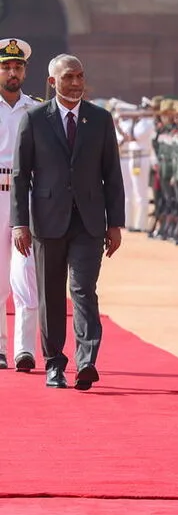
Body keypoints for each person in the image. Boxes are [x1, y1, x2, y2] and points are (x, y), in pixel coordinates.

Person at [12, 53, 124, 390]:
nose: (76, 84)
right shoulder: (33, 119)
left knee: (83, 290)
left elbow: (112, 175)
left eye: (79, 76)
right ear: (52, 82)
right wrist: (20, 223)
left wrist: (115, 223)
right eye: (68, 78)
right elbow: (21, 177)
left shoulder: (100, 119)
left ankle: (87, 361)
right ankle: (54, 364)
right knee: (50, 293)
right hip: (47, 221)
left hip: (89, 221)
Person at [0, 39, 42, 372]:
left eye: (17, 67)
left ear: (25, 70)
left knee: (26, 272)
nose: (12, 72)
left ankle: (24, 350)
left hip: (25, 195)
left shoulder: (36, 109)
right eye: (6, 66)